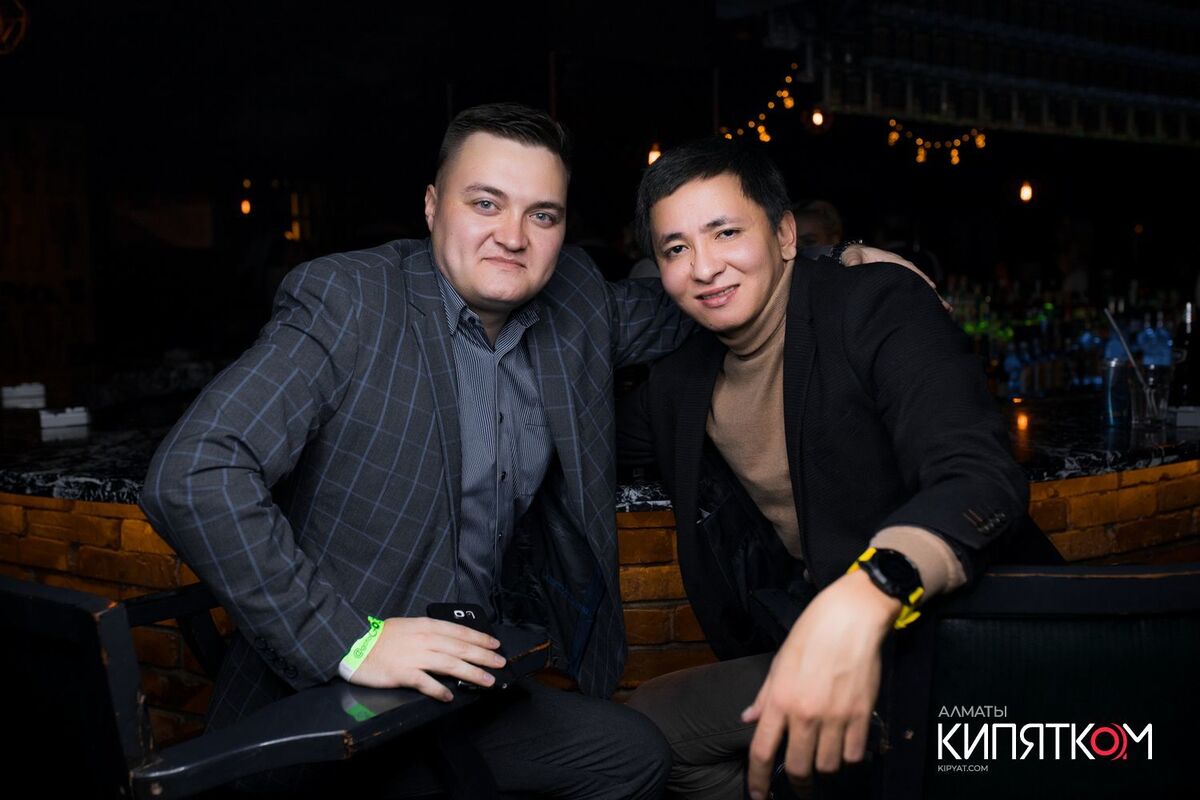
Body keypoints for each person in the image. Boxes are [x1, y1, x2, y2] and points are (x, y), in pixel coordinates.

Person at [140, 102, 694, 799]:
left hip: (461, 690)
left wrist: (807, 264)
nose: (513, 236)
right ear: (432, 206)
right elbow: (194, 474)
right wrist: (348, 639)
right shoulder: (351, 301)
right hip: (329, 702)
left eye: (542, 215)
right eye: (485, 203)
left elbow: (702, 296)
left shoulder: (577, 298)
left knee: (631, 756)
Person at [618, 138, 1054, 799]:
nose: (704, 267)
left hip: (975, 640)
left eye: (726, 232)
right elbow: (586, 436)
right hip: (821, 642)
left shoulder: (873, 303)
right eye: (676, 248)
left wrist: (872, 587)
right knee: (648, 728)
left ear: (784, 234)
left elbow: (979, 474)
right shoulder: (680, 381)